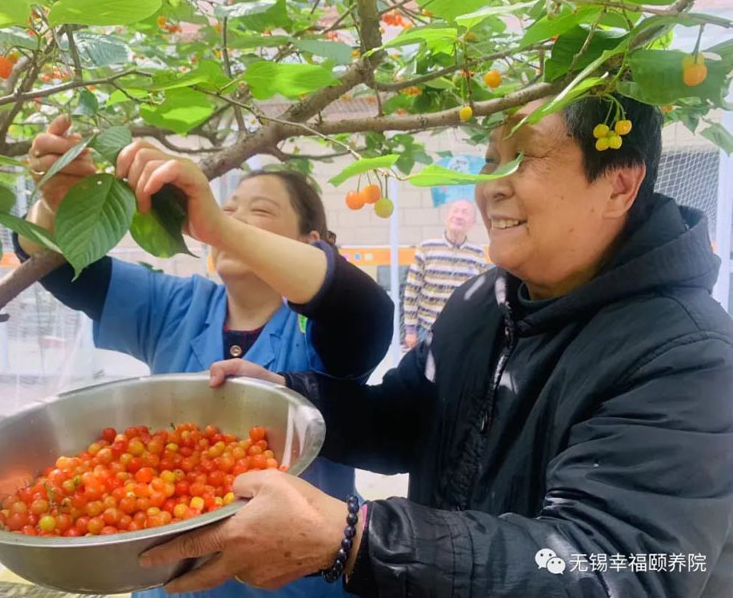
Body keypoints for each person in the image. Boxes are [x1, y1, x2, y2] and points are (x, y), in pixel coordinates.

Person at [137, 95, 733, 597]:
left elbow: (619, 567)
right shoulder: (483, 300)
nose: (489, 186)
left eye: (523, 157)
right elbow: (408, 419)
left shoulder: (688, 354)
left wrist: (358, 541)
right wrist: (292, 399)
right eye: (492, 157)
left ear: (619, 184)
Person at [19, 115, 394, 598]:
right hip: (170, 582)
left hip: (297, 584)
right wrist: (57, 203)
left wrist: (218, 226)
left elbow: (362, 312)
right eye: (227, 207)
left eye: (257, 212)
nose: (230, 219)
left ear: (311, 245)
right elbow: (58, 267)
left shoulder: (315, 330)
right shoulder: (176, 305)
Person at [403, 199, 490, 349]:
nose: (459, 216)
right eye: (455, 210)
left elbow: (481, 297)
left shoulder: (478, 254)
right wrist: (410, 330)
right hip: (428, 330)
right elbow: (412, 291)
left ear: (472, 223)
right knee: (425, 372)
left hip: (463, 331)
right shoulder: (426, 248)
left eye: (465, 212)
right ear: (446, 217)